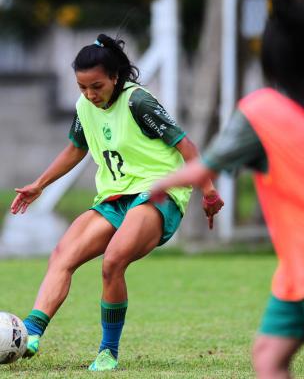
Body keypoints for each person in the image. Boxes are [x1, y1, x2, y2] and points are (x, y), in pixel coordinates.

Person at [150, 0, 304, 379]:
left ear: (270, 60)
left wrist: (158, 186)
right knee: (268, 356)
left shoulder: (262, 111)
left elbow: (204, 167)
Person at [10, 33, 224, 372]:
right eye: (82, 88)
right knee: (63, 254)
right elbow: (75, 149)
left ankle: (108, 352)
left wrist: (208, 190)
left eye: (97, 86)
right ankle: (32, 333)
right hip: (114, 196)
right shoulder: (85, 107)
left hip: (157, 194)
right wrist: (39, 184)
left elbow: (187, 147)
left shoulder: (139, 102)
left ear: (114, 77)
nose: (90, 95)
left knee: (112, 263)